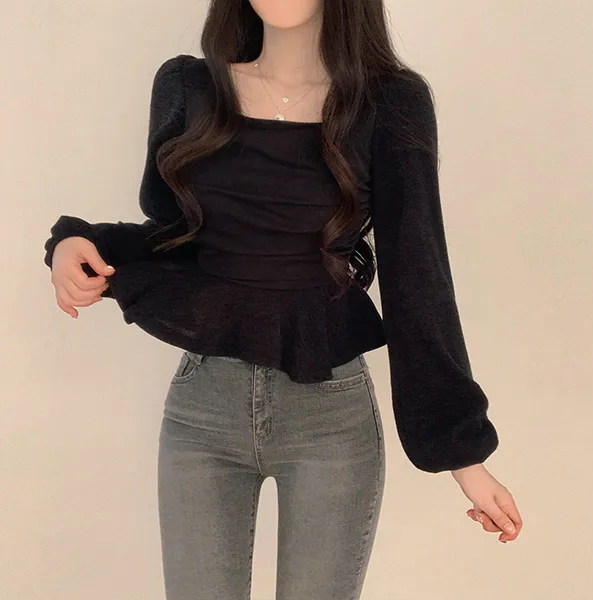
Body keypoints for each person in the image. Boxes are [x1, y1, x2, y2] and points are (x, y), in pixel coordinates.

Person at [43, 1, 523, 598]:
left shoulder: (389, 103)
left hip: (329, 415)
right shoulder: (190, 88)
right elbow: (178, 238)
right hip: (203, 409)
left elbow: (417, 274)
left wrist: (462, 455)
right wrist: (78, 243)